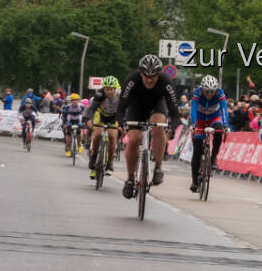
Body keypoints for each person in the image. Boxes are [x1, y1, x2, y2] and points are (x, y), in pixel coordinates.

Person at [118, 56, 182, 199]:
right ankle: (129, 178)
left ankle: (158, 168)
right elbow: (121, 107)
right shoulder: (132, 79)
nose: (149, 80)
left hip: (156, 106)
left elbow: (173, 109)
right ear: (140, 73)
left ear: (158, 74)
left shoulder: (165, 81)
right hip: (136, 107)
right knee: (134, 139)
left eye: (153, 76)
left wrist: (172, 125)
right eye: (146, 76)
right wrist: (121, 123)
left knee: (159, 127)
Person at [189, 75, 228, 193]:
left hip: (213, 118)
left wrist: (226, 125)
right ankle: (195, 180)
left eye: (212, 92)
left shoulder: (220, 93)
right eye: (207, 91)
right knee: (197, 151)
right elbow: (193, 109)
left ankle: (213, 157)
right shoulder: (197, 92)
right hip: (200, 121)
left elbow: (224, 109)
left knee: (219, 128)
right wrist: (194, 124)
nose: (209, 94)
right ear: (202, 89)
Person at [86, 76, 122, 180]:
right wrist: (90, 120)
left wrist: (122, 123)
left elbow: (125, 109)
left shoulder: (121, 95)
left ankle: (110, 162)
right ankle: (93, 156)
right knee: (97, 134)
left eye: (111, 89)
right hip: (101, 114)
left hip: (114, 116)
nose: (109, 92)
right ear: (104, 88)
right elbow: (93, 109)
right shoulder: (100, 94)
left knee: (112, 136)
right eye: (107, 89)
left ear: (115, 89)